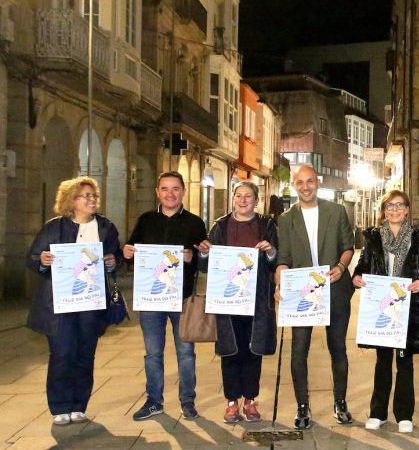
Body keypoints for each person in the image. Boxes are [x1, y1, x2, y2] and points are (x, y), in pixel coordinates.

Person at [27, 177, 120, 425]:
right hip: (60, 303)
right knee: (62, 353)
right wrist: (42, 260)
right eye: (85, 196)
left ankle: (79, 404)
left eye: (93, 195)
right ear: (71, 200)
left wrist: (113, 261)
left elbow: (115, 256)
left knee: (85, 354)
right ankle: (59, 406)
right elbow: (33, 258)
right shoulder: (54, 227)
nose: (92, 199)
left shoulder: (106, 227)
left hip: (91, 302)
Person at [274, 165, 355, 429]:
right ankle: (302, 406)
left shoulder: (336, 211)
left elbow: (348, 247)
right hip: (302, 293)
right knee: (299, 350)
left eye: (310, 181)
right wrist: (280, 283)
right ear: (294, 185)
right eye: (300, 182)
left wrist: (341, 267)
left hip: (335, 288)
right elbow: (283, 257)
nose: (305, 187)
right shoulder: (286, 219)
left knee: (338, 348)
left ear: (317, 182)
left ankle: (340, 402)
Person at [123, 171, 207, 421]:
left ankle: (187, 401)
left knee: (186, 353)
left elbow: (205, 261)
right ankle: (154, 401)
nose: (170, 194)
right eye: (165, 189)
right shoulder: (145, 220)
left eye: (175, 189)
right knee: (153, 354)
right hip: (151, 299)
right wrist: (127, 253)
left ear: (183, 191)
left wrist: (194, 257)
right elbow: (132, 251)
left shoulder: (195, 223)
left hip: (182, 299)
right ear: (157, 192)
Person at [353, 190, 419, 433]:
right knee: (382, 362)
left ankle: (404, 415)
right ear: (384, 210)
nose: (395, 210)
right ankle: (377, 413)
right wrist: (357, 277)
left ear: (408, 209)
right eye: (390, 205)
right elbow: (362, 265)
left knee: (404, 362)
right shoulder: (373, 238)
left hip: (407, 308)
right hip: (381, 307)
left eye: (400, 205)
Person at [196, 181, 278, 423]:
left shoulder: (267, 225)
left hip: (256, 300)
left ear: (257, 200)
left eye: (248, 196)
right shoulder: (220, 226)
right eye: (238, 196)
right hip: (227, 299)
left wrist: (270, 252)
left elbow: (278, 261)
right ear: (232, 199)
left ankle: (250, 400)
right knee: (230, 350)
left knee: (253, 350)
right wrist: (204, 252)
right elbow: (204, 266)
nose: (243, 200)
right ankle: (231, 402)